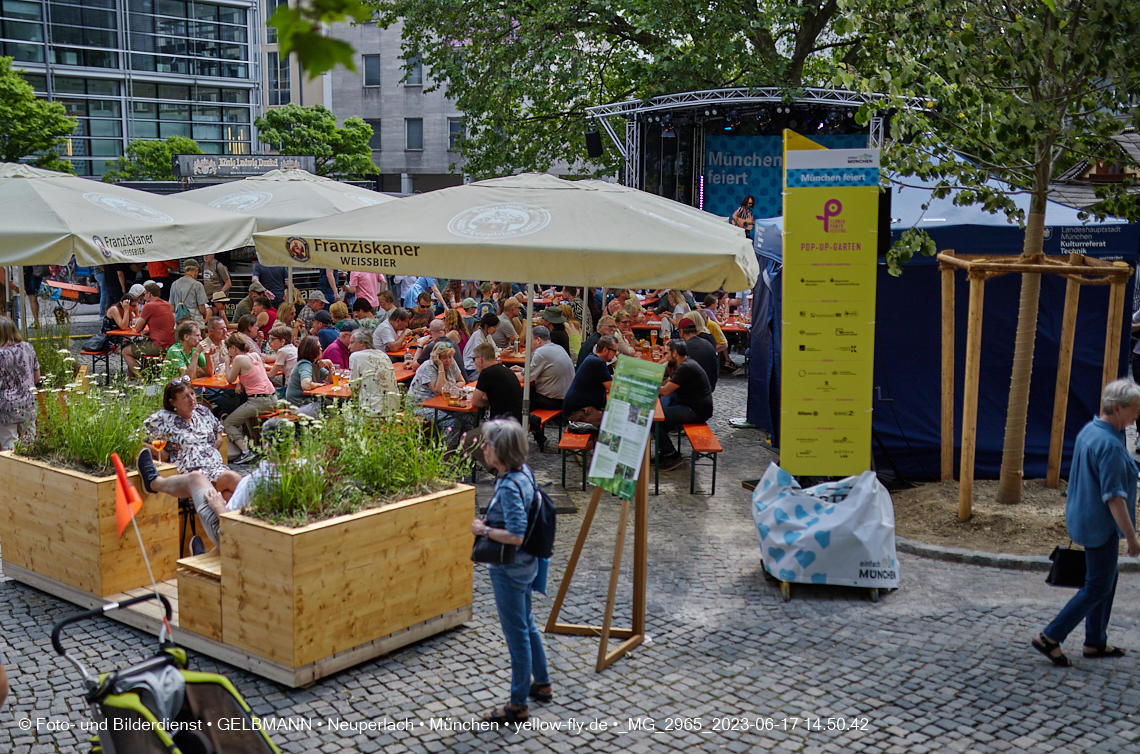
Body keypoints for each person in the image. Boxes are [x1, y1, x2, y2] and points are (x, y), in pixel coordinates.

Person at [1033, 379, 1140, 667]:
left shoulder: (1091, 431)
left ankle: (1095, 641)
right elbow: (1114, 498)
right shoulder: (1110, 445)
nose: (1137, 416)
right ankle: (1050, 637)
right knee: (1097, 586)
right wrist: (1131, 537)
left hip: (1085, 518)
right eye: (1135, 409)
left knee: (1107, 577)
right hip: (1100, 526)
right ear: (1117, 409)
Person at [471, 418, 552, 724]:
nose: (483, 447)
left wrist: (483, 529)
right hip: (527, 565)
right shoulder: (524, 473)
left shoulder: (508, 487)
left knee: (517, 635)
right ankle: (542, 683)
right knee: (527, 624)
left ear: (501, 450)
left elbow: (516, 535)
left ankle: (518, 705)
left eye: (488, 443)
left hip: (510, 569)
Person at [143, 376, 242, 498]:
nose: (192, 399)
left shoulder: (202, 411)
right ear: (173, 402)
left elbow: (217, 426)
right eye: (185, 397)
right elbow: (135, 440)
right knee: (232, 478)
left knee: (228, 496)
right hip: (191, 474)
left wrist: (219, 438)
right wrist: (161, 453)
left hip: (215, 467)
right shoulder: (162, 418)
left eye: (192, 393)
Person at [222, 334, 279, 465]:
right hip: (273, 398)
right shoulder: (255, 355)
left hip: (258, 401)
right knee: (242, 414)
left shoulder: (239, 359)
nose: (228, 352)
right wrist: (240, 382)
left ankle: (246, 451)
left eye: (228, 349)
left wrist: (227, 362)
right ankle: (253, 444)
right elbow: (253, 374)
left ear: (233, 348)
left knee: (229, 423)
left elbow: (229, 379)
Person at [657, 340, 713, 471]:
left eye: (667, 353)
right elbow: (668, 383)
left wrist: (645, 385)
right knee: (661, 414)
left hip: (696, 410)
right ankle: (664, 452)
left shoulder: (685, 368)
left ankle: (671, 455)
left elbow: (665, 391)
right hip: (689, 404)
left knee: (655, 421)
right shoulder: (685, 363)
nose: (665, 357)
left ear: (675, 353)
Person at [522, 326, 574, 452]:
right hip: (567, 398)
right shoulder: (558, 348)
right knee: (527, 396)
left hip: (553, 400)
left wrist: (510, 373)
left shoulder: (541, 353)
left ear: (538, 340)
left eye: (531, 340)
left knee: (519, 400)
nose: (530, 344)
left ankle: (535, 435)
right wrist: (523, 371)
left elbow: (526, 378)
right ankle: (539, 435)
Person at [409, 343, 473, 446]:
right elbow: (438, 390)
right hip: (421, 405)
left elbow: (462, 381)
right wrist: (440, 367)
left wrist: (452, 388)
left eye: (450, 357)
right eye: (444, 358)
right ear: (437, 358)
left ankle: (464, 450)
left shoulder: (452, 362)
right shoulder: (428, 366)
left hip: (443, 404)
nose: (448, 360)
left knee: (468, 418)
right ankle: (447, 452)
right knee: (452, 422)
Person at [122, 281, 176, 380]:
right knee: (138, 345)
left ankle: (141, 380)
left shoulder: (149, 306)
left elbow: (138, 328)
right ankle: (135, 377)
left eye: (144, 294)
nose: (144, 296)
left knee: (125, 351)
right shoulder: (166, 304)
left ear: (149, 294)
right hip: (171, 344)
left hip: (159, 346)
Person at [0, 316, 39, 450]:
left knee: (10, 445)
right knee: (31, 444)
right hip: (28, 403)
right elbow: (36, 377)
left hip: (6, 407)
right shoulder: (28, 347)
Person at [562, 336, 617, 426]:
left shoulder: (593, 358)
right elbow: (612, 388)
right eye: (614, 351)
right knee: (613, 422)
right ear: (605, 350)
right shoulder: (597, 363)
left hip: (580, 408)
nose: (616, 354)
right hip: (579, 411)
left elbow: (606, 378)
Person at [347, 328, 399, 415]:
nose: (349, 347)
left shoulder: (355, 356)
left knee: (345, 415)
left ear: (362, 343)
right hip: (393, 408)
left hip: (373, 410)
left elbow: (353, 386)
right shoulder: (383, 354)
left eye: (352, 343)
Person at [471, 341, 523, 422]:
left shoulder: (487, 373)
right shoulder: (506, 370)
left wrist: (489, 402)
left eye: (474, 359)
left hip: (502, 422)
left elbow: (475, 402)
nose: (474, 362)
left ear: (480, 359)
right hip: (516, 419)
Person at [285, 336, 333, 417]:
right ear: (311, 350)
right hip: (299, 406)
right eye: (318, 347)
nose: (321, 349)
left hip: (308, 402)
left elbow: (330, 380)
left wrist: (330, 365)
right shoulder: (305, 364)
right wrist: (321, 385)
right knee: (328, 407)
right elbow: (306, 385)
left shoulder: (315, 364)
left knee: (333, 403)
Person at [677, 317, 718, 392]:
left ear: (681, 332)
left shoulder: (686, 347)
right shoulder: (706, 343)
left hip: (694, 391)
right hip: (710, 386)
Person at [169, 259, 209, 326]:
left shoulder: (174, 284)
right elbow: (202, 309)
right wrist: (205, 313)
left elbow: (172, 308)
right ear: (196, 270)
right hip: (195, 323)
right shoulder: (197, 285)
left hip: (179, 324)